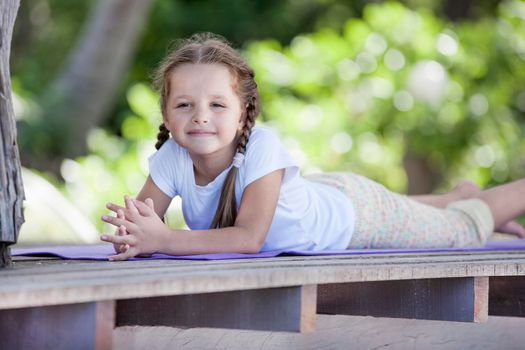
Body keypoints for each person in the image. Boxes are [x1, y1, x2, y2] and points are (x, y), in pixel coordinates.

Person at [100, 33, 525, 261]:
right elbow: (138, 230)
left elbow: (249, 239)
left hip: (361, 217)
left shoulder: (262, 146)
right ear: (166, 112)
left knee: (462, 230)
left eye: (217, 104)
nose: (200, 116)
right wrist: (132, 235)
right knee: (438, 207)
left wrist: (164, 240)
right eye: (184, 105)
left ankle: (481, 204)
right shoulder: (173, 157)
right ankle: (456, 197)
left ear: (244, 111)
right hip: (323, 193)